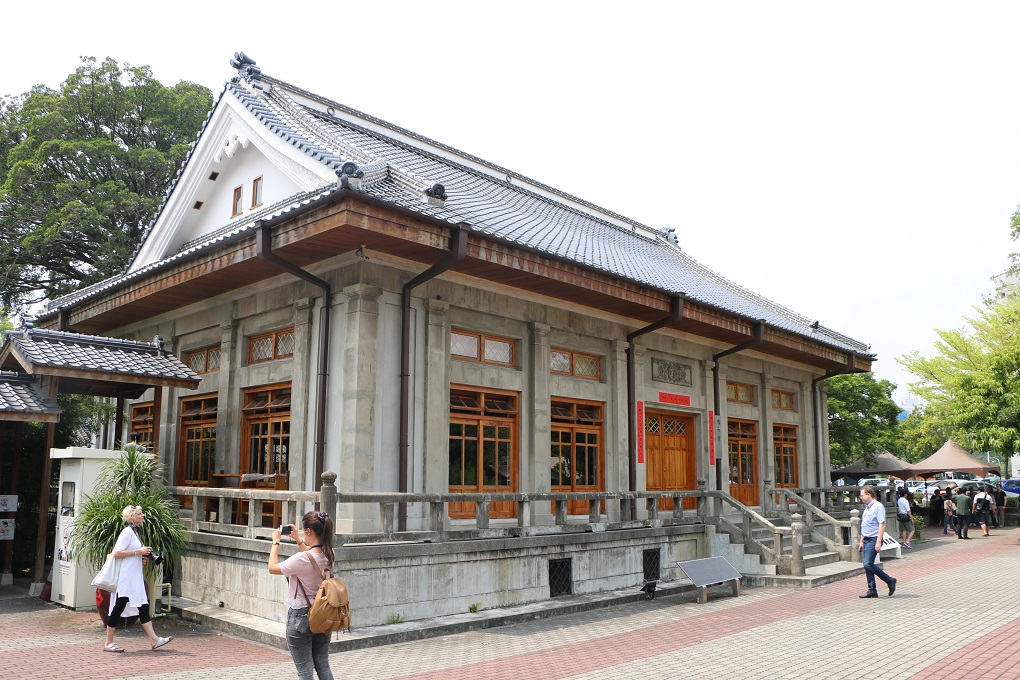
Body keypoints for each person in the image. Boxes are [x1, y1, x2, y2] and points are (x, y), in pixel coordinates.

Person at [268, 511, 336, 680]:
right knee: (323, 665)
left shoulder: (300, 559)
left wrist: (276, 541)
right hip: (323, 614)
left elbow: (272, 568)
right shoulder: (330, 554)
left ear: (309, 531)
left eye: (304, 531)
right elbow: (312, 559)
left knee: (305, 671)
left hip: (300, 617)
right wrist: (298, 539)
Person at [103, 505, 173, 652]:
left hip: (134, 576)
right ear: (131, 517)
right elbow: (116, 553)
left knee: (143, 605)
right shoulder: (127, 532)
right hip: (127, 577)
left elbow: (129, 553)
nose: (143, 515)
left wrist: (140, 557)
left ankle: (154, 640)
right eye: (140, 513)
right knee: (120, 605)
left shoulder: (135, 532)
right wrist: (138, 552)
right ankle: (108, 642)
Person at [858, 485, 897, 598]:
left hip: (874, 538)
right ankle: (872, 590)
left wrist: (878, 541)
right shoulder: (867, 507)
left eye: (862, 495)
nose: (861, 498)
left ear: (869, 494)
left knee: (868, 563)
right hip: (866, 538)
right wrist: (861, 540)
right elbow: (865, 524)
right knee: (866, 565)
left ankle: (889, 580)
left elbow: (882, 524)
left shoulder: (878, 506)